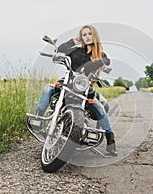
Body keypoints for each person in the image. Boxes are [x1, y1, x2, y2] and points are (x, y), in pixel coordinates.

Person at [35, 25, 117, 156]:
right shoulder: (76, 51)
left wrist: (91, 64)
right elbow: (61, 50)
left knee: (99, 107)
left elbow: (107, 60)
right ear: (81, 37)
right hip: (68, 80)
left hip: (84, 85)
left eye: (89, 34)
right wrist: (74, 41)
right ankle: (38, 119)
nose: (87, 36)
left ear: (94, 35)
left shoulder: (100, 55)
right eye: (84, 35)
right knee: (48, 88)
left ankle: (110, 139)